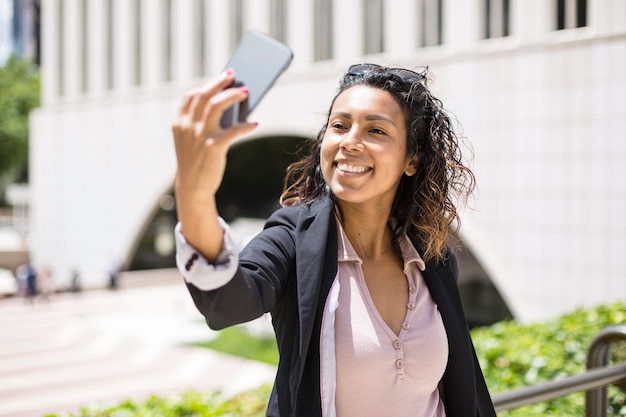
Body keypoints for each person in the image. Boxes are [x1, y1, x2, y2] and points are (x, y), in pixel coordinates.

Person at [172, 64, 497, 417]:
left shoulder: (431, 254)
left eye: (375, 130)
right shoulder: (294, 238)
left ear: (411, 160)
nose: (350, 141)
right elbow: (226, 302)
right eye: (339, 126)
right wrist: (194, 192)